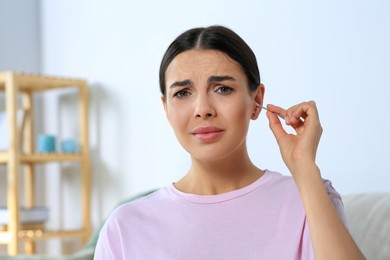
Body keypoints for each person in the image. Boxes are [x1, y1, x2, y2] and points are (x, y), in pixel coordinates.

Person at [94, 25, 364, 259]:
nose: (202, 109)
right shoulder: (125, 226)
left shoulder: (312, 198)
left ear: (256, 101)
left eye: (223, 89)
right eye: (183, 93)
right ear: (166, 108)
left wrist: (304, 167)